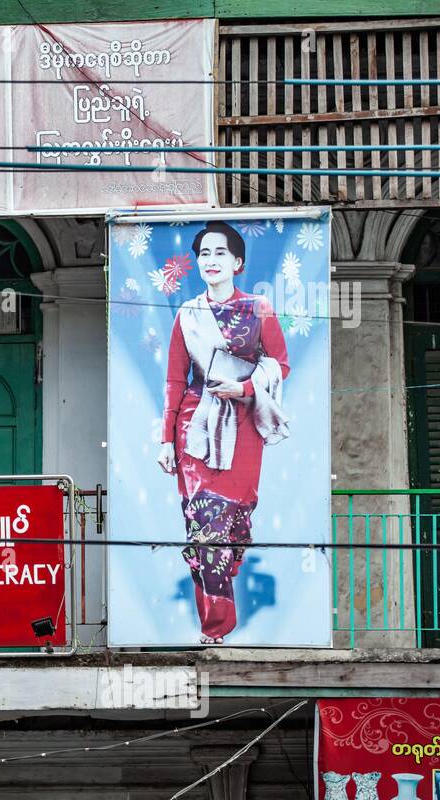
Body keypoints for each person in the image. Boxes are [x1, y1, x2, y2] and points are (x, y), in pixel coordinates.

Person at [157, 221, 290, 645]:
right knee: (203, 526)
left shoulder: (258, 308)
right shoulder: (187, 314)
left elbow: (279, 364)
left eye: (219, 253)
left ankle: (221, 615)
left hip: (244, 428)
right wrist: (165, 439)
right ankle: (214, 628)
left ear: (237, 261)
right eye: (204, 254)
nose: (210, 261)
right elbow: (175, 381)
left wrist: (245, 388)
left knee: (229, 529)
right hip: (194, 429)